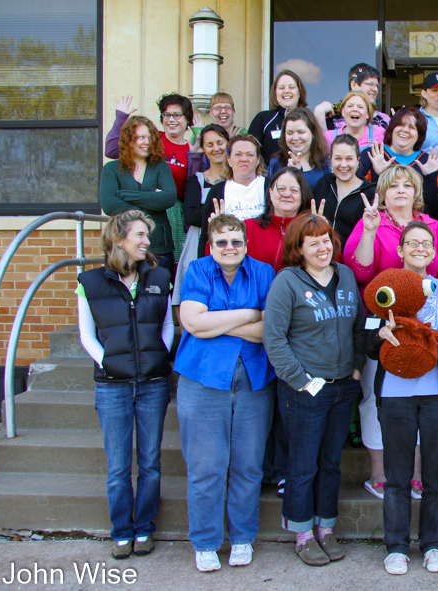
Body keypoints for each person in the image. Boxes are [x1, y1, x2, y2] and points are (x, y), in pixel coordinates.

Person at [262, 214, 366, 567]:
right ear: (299, 249)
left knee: (331, 463)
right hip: (304, 390)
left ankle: (326, 527)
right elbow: (274, 339)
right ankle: (302, 533)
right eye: (313, 243)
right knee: (303, 465)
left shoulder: (346, 276)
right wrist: (301, 380)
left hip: (342, 387)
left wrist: (356, 368)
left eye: (326, 240)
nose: (322, 248)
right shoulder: (287, 283)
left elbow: (359, 325)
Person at [175, 214, 276, 572]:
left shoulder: (263, 273)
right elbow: (192, 323)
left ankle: (243, 537)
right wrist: (248, 314)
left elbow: (270, 329)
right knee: (206, 467)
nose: (229, 248)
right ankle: (205, 542)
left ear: (246, 245)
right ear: (211, 246)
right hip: (202, 379)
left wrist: (218, 322)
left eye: (236, 241)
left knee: (248, 466)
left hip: (253, 380)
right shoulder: (199, 270)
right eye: (222, 242)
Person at [344, 165, 438, 500]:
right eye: (393, 185)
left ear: (417, 191)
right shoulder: (370, 221)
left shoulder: (432, 226)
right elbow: (359, 271)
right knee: (376, 396)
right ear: (383, 192)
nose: (401, 190)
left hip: (422, 326)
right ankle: (379, 474)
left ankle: (415, 474)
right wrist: (371, 232)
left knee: (419, 396)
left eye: (408, 185)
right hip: (381, 324)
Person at [371, 222, 438, 575]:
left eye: (426, 243)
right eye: (411, 242)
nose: (419, 247)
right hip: (395, 395)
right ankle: (396, 546)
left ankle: (433, 546)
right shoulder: (383, 291)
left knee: (436, 477)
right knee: (397, 477)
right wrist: (380, 334)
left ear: (435, 250)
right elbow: (366, 344)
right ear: (399, 250)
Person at [76, 210, 173, 560]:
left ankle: (144, 528)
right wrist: (109, 363)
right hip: (112, 386)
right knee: (118, 466)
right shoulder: (90, 283)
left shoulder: (159, 277)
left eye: (147, 235)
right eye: (140, 235)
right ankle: (121, 531)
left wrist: (159, 356)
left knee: (149, 462)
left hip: (153, 382)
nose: (147, 241)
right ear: (119, 240)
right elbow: (86, 334)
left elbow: (166, 325)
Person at [99, 115, 178, 274]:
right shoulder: (111, 169)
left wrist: (126, 195)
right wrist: (152, 199)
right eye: (141, 137)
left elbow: (169, 198)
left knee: (159, 294)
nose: (147, 142)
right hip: (123, 248)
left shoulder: (160, 167)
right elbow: (109, 205)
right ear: (129, 139)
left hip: (159, 247)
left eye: (150, 138)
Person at [359, 106, 438, 220]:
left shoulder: (428, 162)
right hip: (378, 227)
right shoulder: (372, 154)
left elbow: (437, 211)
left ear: (419, 135)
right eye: (400, 124)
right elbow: (359, 202)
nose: (405, 130)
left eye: (412, 127)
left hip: (418, 231)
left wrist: (430, 177)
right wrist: (378, 174)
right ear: (392, 128)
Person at [177, 124, 230, 305]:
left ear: (228, 143)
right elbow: (190, 216)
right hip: (199, 240)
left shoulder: (238, 180)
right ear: (204, 150)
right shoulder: (197, 180)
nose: (216, 148)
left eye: (220, 142)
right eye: (209, 144)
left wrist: (208, 213)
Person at [199, 133, 268, 255]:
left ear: (258, 160)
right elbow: (206, 236)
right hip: (228, 259)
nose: (244, 159)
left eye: (250, 155)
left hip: (264, 258)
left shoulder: (270, 187)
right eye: (238, 154)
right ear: (229, 160)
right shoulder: (217, 191)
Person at [311, 134, 377, 246]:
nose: (343, 164)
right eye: (338, 158)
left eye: (349, 159)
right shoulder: (323, 184)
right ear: (330, 159)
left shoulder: (370, 192)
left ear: (358, 160)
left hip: (353, 257)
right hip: (322, 254)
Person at [247, 167, 315, 271]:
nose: (287, 194)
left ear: (302, 195)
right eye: (281, 189)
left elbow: (332, 264)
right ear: (270, 192)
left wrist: (322, 231)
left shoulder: (312, 230)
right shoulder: (248, 228)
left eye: (294, 190)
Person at [249, 70, 308, 163]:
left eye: (292, 87)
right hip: (271, 176)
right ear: (275, 93)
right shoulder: (263, 119)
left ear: (300, 92)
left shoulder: (309, 119)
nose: (287, 91)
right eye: (281, 88)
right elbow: (250, 152)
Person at [265, 108, 331, 189]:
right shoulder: (275, 164)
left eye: (301, 132)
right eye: (290, 133)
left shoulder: (327, 163)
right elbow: (268, 196)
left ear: (313, 133)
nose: (295, 138)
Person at [314, 63, 391, 131]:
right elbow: (323, 144)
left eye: (377, 86)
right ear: (354, 85)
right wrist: (319, 112)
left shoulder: (385, 120)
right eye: (370, 84)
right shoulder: (333, 118)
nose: (375, 89)